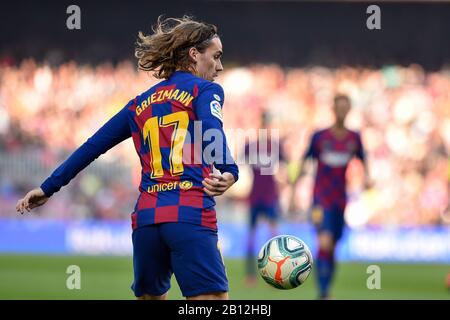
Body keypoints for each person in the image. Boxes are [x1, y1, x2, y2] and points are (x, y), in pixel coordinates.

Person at [16, 16, 239, 300]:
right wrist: (230, 169)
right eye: (216, 56)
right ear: (194, 55)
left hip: (147, 220)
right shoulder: (205, 90)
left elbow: (92, 146)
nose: (219, 66)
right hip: (189, 213)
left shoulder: (139, 103)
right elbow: (212, 129)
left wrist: (48, 187)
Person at [291, 94, 370, 299]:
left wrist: (368, 178)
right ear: (333, 109)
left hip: (340, 200)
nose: (342, 111)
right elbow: (305, 160)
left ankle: (326, 287)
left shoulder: (354, 138)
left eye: (346, 107)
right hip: (320, 199)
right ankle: (323, 292)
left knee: (333, 247)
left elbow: (363, 159)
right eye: (339, 107)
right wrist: (293, 189)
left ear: (349, 110)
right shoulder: (320, 137)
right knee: (324, 242)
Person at [243, 112, 286, 286]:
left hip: (270, 196)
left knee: (273, 236)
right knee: (251, 237)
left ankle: (277, 273)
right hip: (255, 196)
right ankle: (250, 274)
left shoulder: (275, 146)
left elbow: (284, 169)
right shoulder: (250, 146)